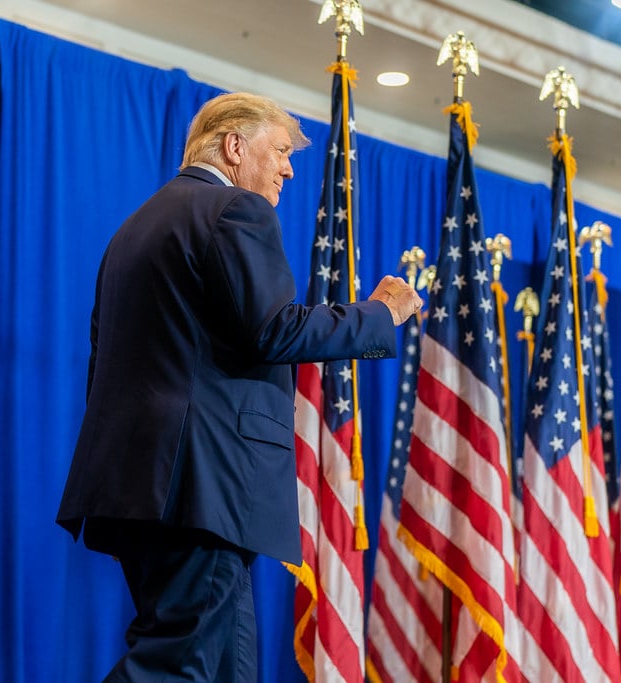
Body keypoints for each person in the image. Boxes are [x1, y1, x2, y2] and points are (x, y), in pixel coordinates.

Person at [56, 92, 422, 682]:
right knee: (177, 665)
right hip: (201, 488)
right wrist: (379, 315)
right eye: (279, 151)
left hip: (137, 487)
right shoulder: (233, 210)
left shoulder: (130, 232)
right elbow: (274, 330)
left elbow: (105, 362)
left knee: (229, 669)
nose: (289, 169)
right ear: (233, 147)